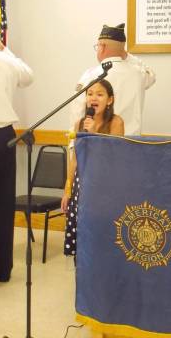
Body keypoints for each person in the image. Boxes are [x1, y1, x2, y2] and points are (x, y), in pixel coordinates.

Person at [61, 79, 124, 256]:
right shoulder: (80, 124)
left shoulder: (116, 122)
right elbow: (75, 159)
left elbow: (114, 157)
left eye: (99, 94)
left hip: (105, 187)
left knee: (101, 238)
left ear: (110, 100)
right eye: (89, 94)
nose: (93, 98)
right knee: (80, 239)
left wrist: (95, 132)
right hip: (81, 185)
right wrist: (67, 189)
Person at [70, 23, 155, 136]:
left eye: (97, 46)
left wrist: (72, 144)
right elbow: (152, 75)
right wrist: (126, 55)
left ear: (103, 46)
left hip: (100, 146)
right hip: (131, 146)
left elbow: (77, 112)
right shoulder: (138, 74)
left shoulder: (90, 75)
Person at [0, 35, 33, 282]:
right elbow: (28, 76)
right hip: (3, 136)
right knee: (3, 202)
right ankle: (1, 269)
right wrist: (5, 50)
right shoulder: (5, 60)